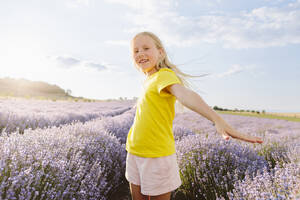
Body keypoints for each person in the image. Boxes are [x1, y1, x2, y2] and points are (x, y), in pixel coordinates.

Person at [125, 31, 263, 200]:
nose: (141, 53)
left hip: (156, 156)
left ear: (160, 52)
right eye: (136, 51)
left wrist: (216, 119)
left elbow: (186, 95)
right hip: (134, 151)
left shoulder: (164, 75)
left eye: (146, 48)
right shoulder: (148, 80)